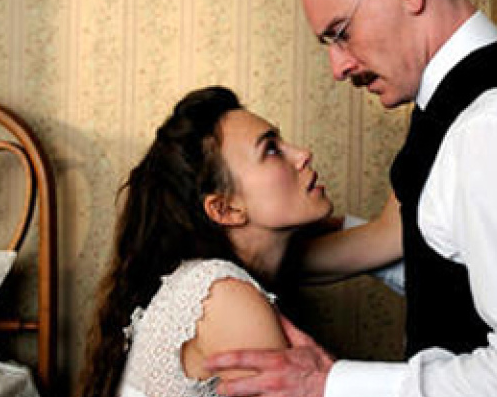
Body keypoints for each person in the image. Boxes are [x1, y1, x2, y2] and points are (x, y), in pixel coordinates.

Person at [205, 0, 497, 396]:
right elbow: (456, 271)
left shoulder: (495, 127)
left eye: (341, 33)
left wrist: (331, 384)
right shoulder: (452, 107)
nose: (338, 67)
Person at [77, 85, 334, 397]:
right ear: (226, 209)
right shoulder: (223, 296)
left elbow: (383, 241)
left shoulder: (211, 278)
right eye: (271, 149)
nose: (303, 154)